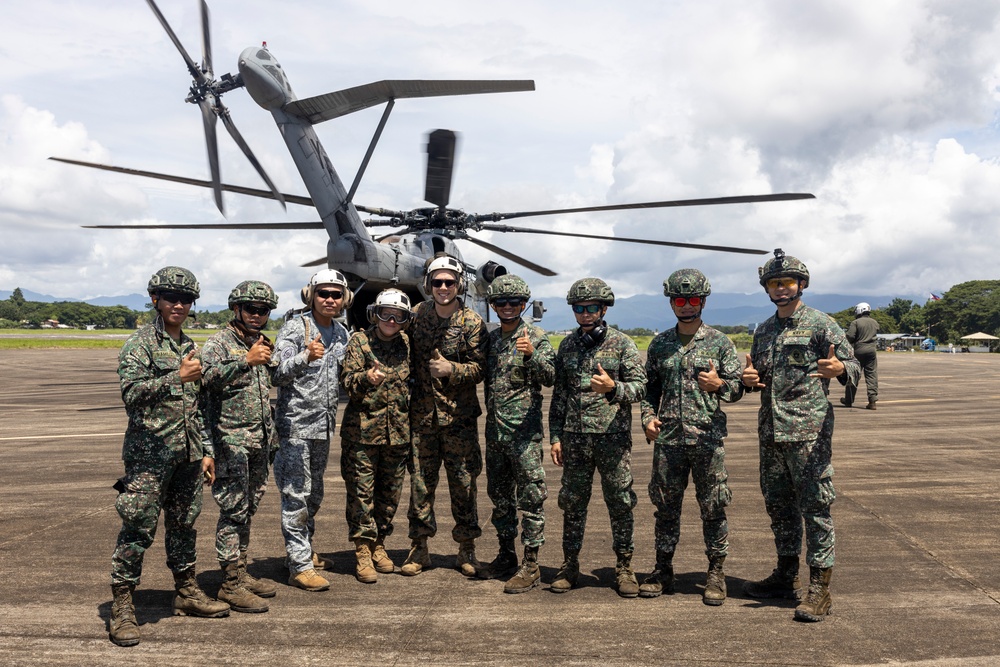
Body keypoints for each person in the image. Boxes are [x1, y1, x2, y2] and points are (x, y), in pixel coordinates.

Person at [109, 266, 229, 647]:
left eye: (186, 299)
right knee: (138, 529)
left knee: (184, 526)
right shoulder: (140, 344)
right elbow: (131, 394)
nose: (178, 304)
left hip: (188, 456)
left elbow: (197, 406)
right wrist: (174, 377)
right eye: (171, 297)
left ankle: (187, 591)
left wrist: (207, 451)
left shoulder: (190, 344)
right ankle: (123, 605)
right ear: (155, 300)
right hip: (149, 457)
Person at [741, 249, 860, 622]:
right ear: (767, 288)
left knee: (815, 508)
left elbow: (853, 364)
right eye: (774, 283)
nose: (781, 289)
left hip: (808, 432)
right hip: (771, 433)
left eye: (787, 282)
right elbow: (757, 375)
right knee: (779, 507)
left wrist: (840, 368)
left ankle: (820, 588)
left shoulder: (821, 324)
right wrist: (748, 381)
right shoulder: (763, 330)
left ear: (801, 285)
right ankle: (785, 574)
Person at [638, 269, 743, 605]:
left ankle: (715, 573)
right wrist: (647, 417)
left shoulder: (720, 343)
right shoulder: (660, 344)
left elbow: (739, 386)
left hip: (706, 440)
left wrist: (721, 386)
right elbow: (648, 389)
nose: (686, 305)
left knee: (713, 508)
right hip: (668, 440)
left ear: (703, 301)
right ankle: (663, 569)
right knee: (665, 509)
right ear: (671, 302)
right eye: (679, 300)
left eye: (692, 299)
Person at [549, 277, 647, 597]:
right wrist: (555, 436)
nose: (585, 313)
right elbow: (560, 396)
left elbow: (641, 388)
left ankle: (624, 566)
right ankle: (569, 565)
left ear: (604, 308)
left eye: (592, 307)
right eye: (579, 308)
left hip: (612, 438)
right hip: (575, 439)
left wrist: (614, 389)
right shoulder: (566, 346)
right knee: (573, 504)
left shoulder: (622, 344)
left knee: (620, 503)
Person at [403, 254, 486, 577]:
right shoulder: (416, 316)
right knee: (421, 486)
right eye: (437, 282)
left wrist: (452, 369)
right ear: (428, 285)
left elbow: (480, 368)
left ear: (459, 285)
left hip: (459, 420)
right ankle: (419, 547)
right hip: (423, 418)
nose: (443, 287)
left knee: (464, 487)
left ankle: (466, 549)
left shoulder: (472, 323)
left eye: (449, 282)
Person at [200, 280, 280, 613]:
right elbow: (203, 382)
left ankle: (241, 571)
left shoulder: (262, 343)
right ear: (236, 309)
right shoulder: (219, 344)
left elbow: (272, 379)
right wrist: (245, 361)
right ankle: (229, 584)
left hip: (259, 442)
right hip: (230, 443)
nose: (258, 315)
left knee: (248, 509)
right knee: (233, 512)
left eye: (264, 310)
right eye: (251, 309)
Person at [272, 269, 351, 591]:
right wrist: (306, 356)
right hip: (295, 428)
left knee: (313, 495)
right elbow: (277, 373)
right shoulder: (295, 328)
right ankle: (299, 565)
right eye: (323, 293)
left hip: (323, 427)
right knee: (296, 497)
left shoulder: (342, 333)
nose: (330, 299)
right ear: (311, 295)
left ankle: (304, 550)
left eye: (336, 294)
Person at [477, 275, 556, 593]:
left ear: (524, 304)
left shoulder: (535, 336)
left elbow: (551, 376)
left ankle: (532, 564)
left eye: (514, 303)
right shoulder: (492, 340)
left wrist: (531, 355)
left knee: (531, 500)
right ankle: (506, 555)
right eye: (500, 303)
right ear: (493, 306)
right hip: (496, 435)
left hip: (524, 436)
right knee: (500, 500)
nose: (507, 308)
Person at [339, 289, 414, 583]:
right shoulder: (360, 341)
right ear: (375, 314)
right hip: (363, 434)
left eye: (398, 316)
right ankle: (361, 551)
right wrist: (364, 378)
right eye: (386, 313)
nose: (391, 321)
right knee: (361, 495)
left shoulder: (406, 344)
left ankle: (379, 543)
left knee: (389, 496)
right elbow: (346, 381)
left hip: (397, 434)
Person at [841, 302, 879, 410]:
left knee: (853, 374)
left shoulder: (855, 322)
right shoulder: (874, 322)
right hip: (872, 351)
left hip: (858, 351)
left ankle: (848, 400)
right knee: (871, 375)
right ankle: (872, 401)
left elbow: (850, 336)